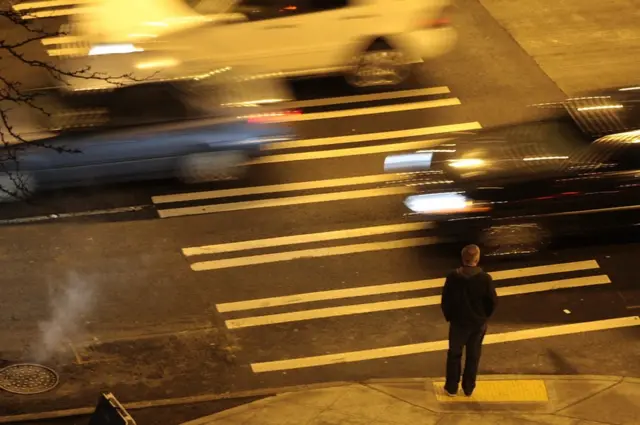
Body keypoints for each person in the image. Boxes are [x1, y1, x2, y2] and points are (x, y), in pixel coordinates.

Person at [440, 244, 498, 397]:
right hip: (477, 323)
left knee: (454, 354)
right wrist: (483, 316)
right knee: (473, 355)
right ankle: (468, 387)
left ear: (462, 258)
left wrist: (450, 316)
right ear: (477, 259)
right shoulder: (485, 278)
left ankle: (452, 387)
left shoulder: (453, 276)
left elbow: (446, 300)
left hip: (458, 323)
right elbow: (492, 301)